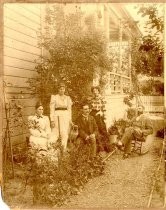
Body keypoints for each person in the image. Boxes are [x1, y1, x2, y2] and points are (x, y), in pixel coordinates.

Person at [50, 82, 72, 151]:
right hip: (57, 116)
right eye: (60, 89)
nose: (61, 90)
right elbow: (52, 109)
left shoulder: (68, 98)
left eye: (63, 89)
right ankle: (53, 149)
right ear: (58, 89)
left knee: (64, 132)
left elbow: (69, 109)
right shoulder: (54, 97)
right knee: (56, 132)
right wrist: (52, 120)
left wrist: (70, 119)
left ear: (65, 90)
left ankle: (63, 148)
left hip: (65, 116)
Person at [90, 86, 111, 153]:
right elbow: (91, 107)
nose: (95, 92)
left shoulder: (102, 98)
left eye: (96, 90)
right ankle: (98, 148)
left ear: (98, 91)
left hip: (99, 114)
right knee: (95, 130)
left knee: (102, 130)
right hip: (93, 114)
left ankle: (106, 147)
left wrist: (101, 112)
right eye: (93, 91)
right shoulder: (92, 99)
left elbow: (104, 107)